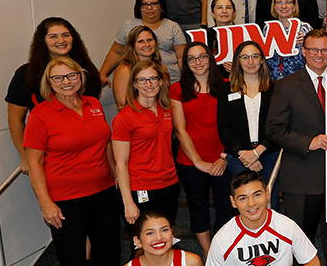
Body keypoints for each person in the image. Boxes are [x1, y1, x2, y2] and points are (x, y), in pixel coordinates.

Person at [265, 30, 327, 266]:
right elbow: (273, 129)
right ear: (304, 52)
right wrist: (308, 142)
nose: (319, 55)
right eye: (313, 49)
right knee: (300, 243)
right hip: (302, 177)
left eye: (324, 50)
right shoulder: (286, 86)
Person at [24, 56, 119, 266]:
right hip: (66, 200)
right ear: (48, 82)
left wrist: (116, 175)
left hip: (103, 192)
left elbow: (105, 143)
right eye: (57, 78)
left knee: (109, 254)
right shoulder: (40, 115)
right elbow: (34, 163)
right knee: (73, 258)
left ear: (80, 76)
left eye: (71, 75)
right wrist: (46, 204)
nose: (66, 82)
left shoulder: (93, 103)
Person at [113, 60, 211, 228]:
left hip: (169, 184)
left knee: (165, 235)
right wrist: (128, 202)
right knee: (142, 241)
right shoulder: (124, 117)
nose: (148, 84)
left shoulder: (167, 109)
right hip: (141, 187)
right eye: (141, 80)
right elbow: (120, 164)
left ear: (160, 82)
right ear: (134, 85)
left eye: (153, 78)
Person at [6, 17, 101, 175]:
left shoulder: (87, 70)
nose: (61, 40)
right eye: (53, 36)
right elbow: (15, 119)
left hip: (91, 158)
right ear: (43, 41)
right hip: (53, 160)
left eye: (65, 35)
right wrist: (25, 156)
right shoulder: (26, 74)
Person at [170, 43, 232, 256]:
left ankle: (220, 247)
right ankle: (208, 252)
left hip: (222, 158)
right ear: (186, 63)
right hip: (190, 161)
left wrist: (224, 156)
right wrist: (198, 162)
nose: (198, 62)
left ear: (210, 58)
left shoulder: (228, 85)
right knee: (198, 206)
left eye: (202, 57)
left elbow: (234, 126)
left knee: (227, 205)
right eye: (192, 58)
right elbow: (180, 129)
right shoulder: (177, 89)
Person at [217, 41, 281, 209]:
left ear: (262, 60)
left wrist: (258, 152)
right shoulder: (227, 90)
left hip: (269, 155)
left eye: (255, 56)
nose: (250, 62)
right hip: (239, 158)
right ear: (237, 61)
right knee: (245, 205)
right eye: (244, 57)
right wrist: (245, 155)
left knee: (269, 203)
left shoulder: (275, 89)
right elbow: (224, 127)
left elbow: (279, 125)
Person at [208, 170, 320, 266]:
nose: (251, 203)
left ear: (267, 194)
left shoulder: (287, 226)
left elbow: (312, 261)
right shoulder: (222, 240)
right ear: (233, 202)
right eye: (243, 198)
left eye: (257, 195)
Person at [99, 0, 186, 85]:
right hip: (139, 83)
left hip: (171, 80)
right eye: (144, 4)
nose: (149, 8)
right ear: (138, 7)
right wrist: (102, 73)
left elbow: (181, 56)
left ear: (161, 6)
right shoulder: (128, 25)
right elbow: (116, 52)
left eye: (154, 4)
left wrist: (188, 80)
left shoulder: (173, 26)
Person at [110, 26, 163, 109]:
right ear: (132, 46)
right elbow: (122, 104)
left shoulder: (161, 67)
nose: (147, 44)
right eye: (141, 41)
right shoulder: (125, 69)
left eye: (149, 40)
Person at [266, 0, 315, 80]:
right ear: (274, 7)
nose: (283, 6)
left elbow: (315, 54)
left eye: (288, 2)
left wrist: (306, 44)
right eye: (279, 2)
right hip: (274, 80)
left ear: (294, 7)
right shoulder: (268, 28)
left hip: (300, 79)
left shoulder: (305, 28)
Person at [126, 210, 203, 266]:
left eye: (164, 230)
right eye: (150, 233)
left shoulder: (190, 262)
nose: (159, 238)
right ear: (138, 241)